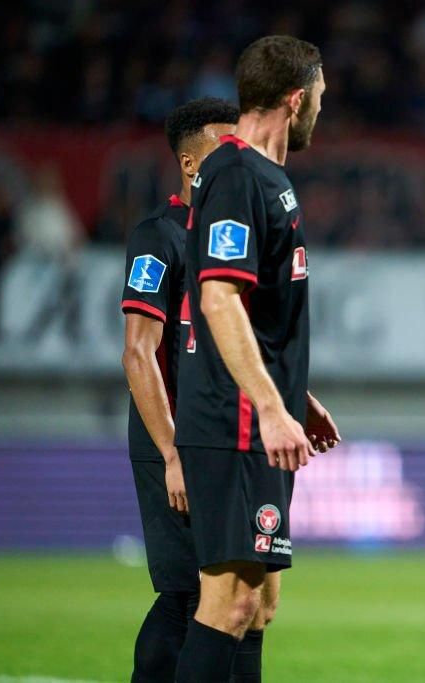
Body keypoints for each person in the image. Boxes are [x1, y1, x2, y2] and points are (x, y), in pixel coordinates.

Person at [172, 36, 340, 683]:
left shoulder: (269, 180)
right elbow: (218, 298)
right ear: (296, 100)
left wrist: (294, 395)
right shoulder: (237, 173)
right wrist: (270, 407)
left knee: (261, 603)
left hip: (259, 418)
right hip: (234, 424)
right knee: (230, 599)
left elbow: (263, 316)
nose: (321, 112)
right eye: (320, 99)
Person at [120, 97, 239, 682]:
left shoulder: (230, 243)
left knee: (229, 599)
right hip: (168, 435)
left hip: (219, 439)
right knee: (184, 596)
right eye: (227, 147)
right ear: (192, 166)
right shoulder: (159, 238)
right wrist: (171, 453)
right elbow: (138, 353)